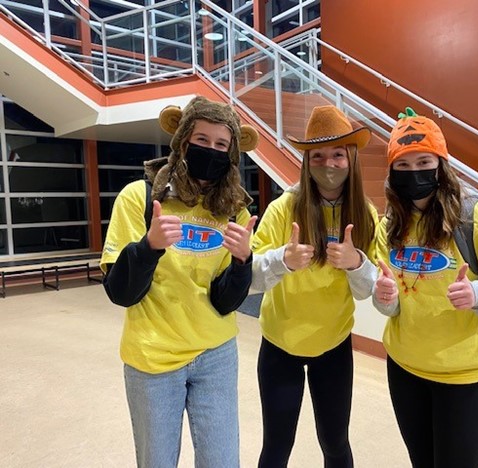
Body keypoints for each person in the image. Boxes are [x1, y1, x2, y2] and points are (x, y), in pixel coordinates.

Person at [100, 96, 259, 467]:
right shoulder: (140, 196)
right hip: (152, 358)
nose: (212, 151)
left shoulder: (234, 208)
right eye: (202, 140)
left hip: (216, 354)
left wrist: (242, 263)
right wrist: (149, 247)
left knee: (222, 461)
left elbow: (224, 300)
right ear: (183, 141)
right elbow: (120, 292)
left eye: (222, 144)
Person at [372, 107, 478, 468]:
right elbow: (393, 305)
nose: (414, 173)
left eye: (424, 162)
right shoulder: (390, 225)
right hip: (405, 368)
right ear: (392, 172)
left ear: (441, 165)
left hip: (463, 376)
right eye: (403, 166)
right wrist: (385, 299)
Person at [251, 105, 378, 467]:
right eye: (318, 155)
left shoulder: (365, 213)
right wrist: (282, 261)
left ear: (351, 158)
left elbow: (369, 289)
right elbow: (250, 279)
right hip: (280, 345)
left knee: (336, 443)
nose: (329, 164)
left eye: (338, 154)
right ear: (306, 161)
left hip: (334, 346)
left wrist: (356, 263)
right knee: (277, 445)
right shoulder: (283, 209)